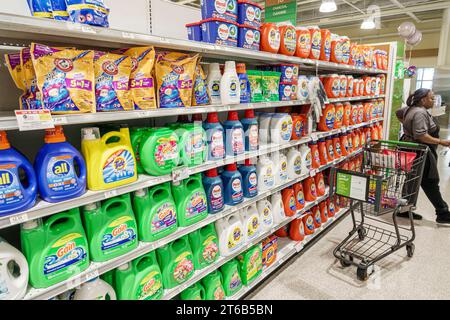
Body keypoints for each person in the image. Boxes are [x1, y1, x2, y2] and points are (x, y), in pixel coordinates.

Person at [396, 88, 450, 224]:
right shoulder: (419, 112)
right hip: (419, 151)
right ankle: (442, 212)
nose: (433, 101)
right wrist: (441, 141)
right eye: (431, 98)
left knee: (412, 180)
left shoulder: (410, 109)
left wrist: (408, 128)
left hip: (412, 149)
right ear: (423, 100)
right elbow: (421, 135)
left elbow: (398, 113)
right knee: (430, 180)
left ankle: (404, 210)